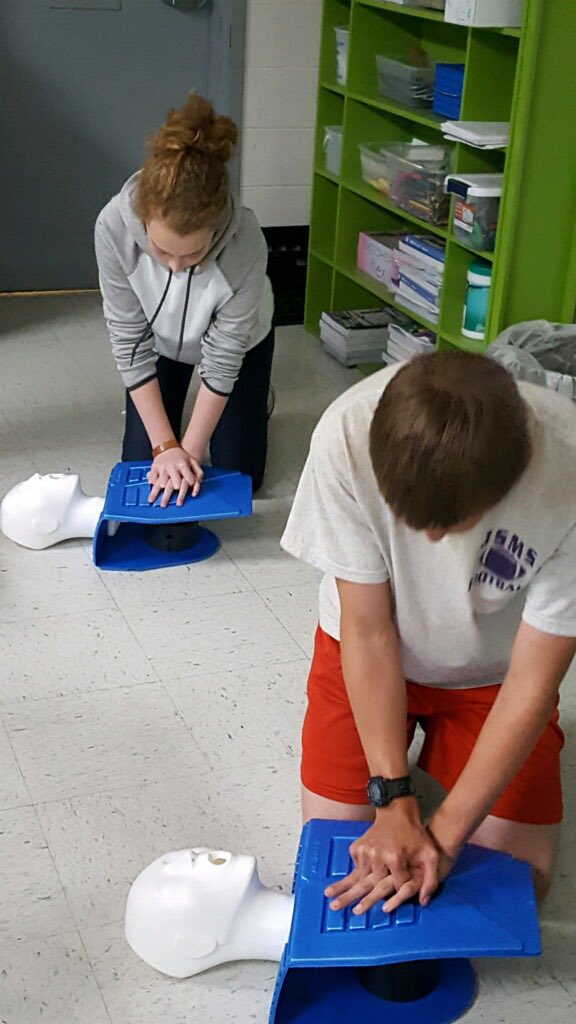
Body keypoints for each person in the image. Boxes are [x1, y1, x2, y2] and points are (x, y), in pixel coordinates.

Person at [281, 351, 576, 915]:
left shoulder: (567, 469)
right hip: (366, 650)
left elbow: (532, 686)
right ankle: (402, 765)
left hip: (494, 673)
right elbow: (367, 633)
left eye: (451, 525)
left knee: (521, 886)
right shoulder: (346, 434)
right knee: (334, 855)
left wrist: (442, 836)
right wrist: (392, 800)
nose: (433, 542)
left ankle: (444, 759)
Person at [95, 93, 274, 516]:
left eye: (192, 256)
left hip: (240, 347)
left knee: (240, 472)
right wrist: (164, 446)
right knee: (141, 462)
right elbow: (129, 340)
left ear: (215, 228)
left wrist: (187, 455)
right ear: (143, 219)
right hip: (160, 344)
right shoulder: (113, 226)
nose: (175, 268)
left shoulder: (246, 241)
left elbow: (224, 355)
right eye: (161, 251)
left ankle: (258, 399)